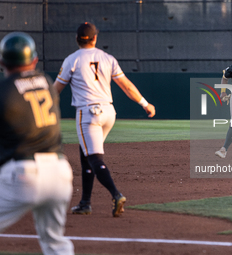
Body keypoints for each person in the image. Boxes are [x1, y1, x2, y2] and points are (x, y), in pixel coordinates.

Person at [53, 22, 156, 217]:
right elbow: (126, 86)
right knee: (86, 156)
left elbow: (56, 90)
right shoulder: (107, 58)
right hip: (109, 112)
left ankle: (116, 195)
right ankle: (85, 203)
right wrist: (145, 103)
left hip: (88, 113)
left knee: (94, 158)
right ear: (95, 38)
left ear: (77, 39)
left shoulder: (71, 60)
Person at [0, 32, 74, 254]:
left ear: (2, 62)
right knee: (54, 242)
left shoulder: (4, 91)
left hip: (25, 175)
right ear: (34, 60)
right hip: (60, 173)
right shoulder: (46, 82)